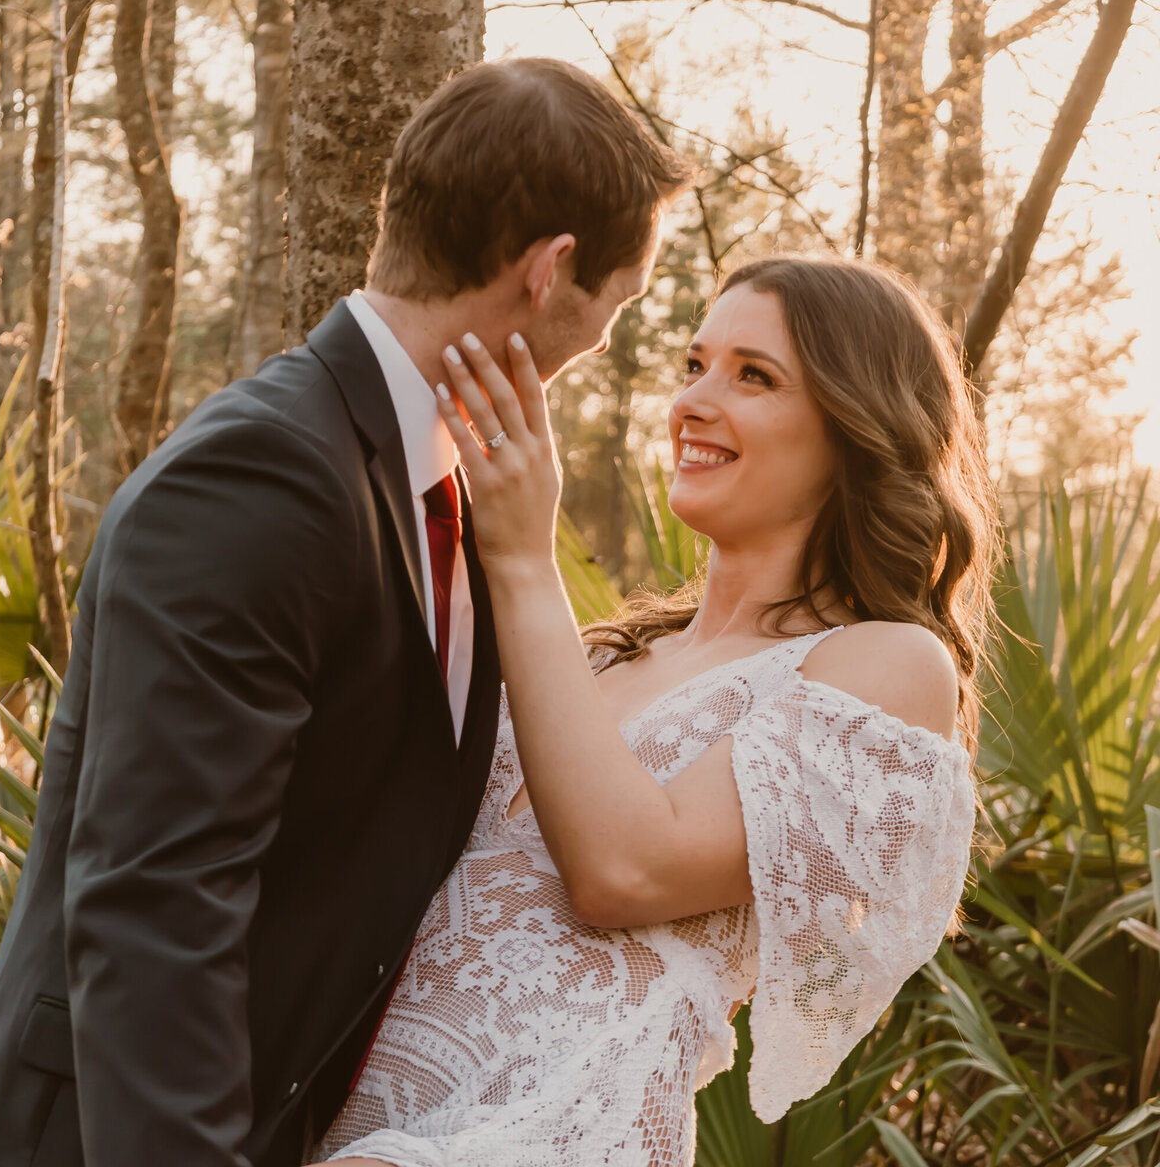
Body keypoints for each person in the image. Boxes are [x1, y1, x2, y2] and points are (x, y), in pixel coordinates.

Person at [0, 58, 691, 1167]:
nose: (603, 344)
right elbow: (158, 906)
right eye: (620, 305)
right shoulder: (262, 474)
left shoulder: (453, 494)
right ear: (552, 271)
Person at [309, 255, 998, 1166]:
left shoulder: (885, 664)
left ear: (854, 426)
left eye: (755, 376)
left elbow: (625, 872)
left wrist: (521, 559)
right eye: (694, 364)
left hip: (554, 1134)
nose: (694, 402)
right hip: (334, 1123)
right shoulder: (595, 655)